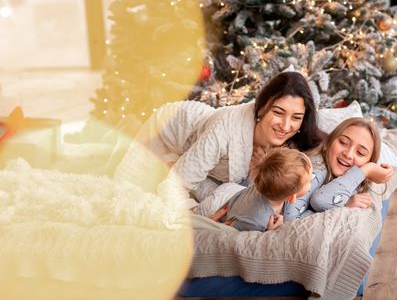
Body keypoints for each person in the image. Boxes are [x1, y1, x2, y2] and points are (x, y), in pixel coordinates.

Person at [114, 71, 324, 207]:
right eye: (278, 112)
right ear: (261, 107)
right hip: (170, 128)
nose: (286, 126)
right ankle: (125, 130)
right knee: (127, 195)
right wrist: (199, 216)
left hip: (204, 132)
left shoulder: (292, 140)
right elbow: (175, 185)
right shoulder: (225, 129)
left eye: (296, 117)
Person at [284, 117, 393, 220]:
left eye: (360, 153)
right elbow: (291, 218)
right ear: (327, 143)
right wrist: (344, 204)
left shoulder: (348, 178)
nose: (348, 154)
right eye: (343, 143)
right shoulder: (314, 168)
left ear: (369, 160)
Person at [219, 147, 312, 232]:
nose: (312, 178)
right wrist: (270, 231)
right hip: (229, 224)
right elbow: (243, 240)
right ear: (292, 198)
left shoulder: (264, 182)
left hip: (236, 205)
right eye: (309, 181)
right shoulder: (258, 222)